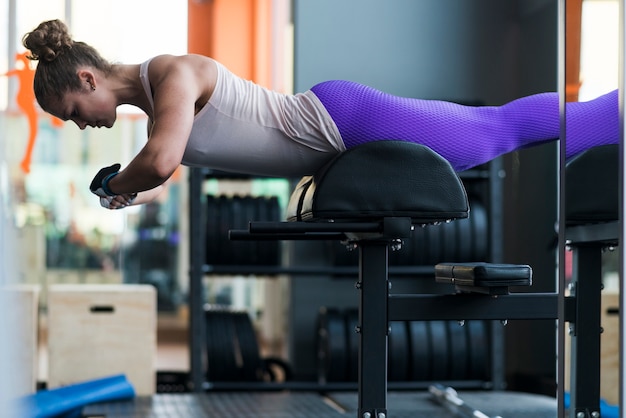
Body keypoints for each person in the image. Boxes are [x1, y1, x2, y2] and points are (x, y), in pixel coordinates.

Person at [22, 19, 619, 210]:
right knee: (502, 132)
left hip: (344, 120)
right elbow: (156, 163)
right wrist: (126, 188)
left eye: (73, 111)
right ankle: (589, 124)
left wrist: (114, 190)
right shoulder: (157, 110)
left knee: (498, 132)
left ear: (87, 77)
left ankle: (607, 117)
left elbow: (160, 163)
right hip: (335, 125)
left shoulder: (171, 74)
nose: (80, 123)